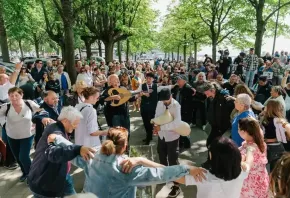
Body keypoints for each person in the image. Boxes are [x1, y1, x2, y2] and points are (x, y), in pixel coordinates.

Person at [50, 127, 206, 198]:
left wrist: (56, 138)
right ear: (125, 146)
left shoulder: (92, 155)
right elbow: (161, 174)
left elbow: (71, 150)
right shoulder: (125, 168)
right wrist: (186, 168)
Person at [28, 106, 96, 198]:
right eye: (75, 124)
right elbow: (53, 153)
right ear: (65, 121)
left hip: (62, 176)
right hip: (45, 182)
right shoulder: (56, 132)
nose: (76, 127)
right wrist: (78, 149)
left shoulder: (57, 127)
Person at [0, 87, 53, 182]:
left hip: (27, 135)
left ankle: (31, 175)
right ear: (9, 96)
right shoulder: (6, 107)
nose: (14, 98)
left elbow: (41, 110)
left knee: (23, 157)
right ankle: (24, 172)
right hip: (12, 136)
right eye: (11, 96)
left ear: (21, 95)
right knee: (17, 157)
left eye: (16, 95)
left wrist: (43, 118)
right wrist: (4, 123)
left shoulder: (29, 103)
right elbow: (0, 116)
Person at [176, 137, 250, 198]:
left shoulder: (202, 176)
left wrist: (188, 169)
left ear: (212, 156)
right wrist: (250, 149)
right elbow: (249, 161)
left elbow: (170, 175)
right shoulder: (242, 171)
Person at [153, 88, 182, 197]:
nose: (164, 102)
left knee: (173, 160)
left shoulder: (176, 105)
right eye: (163, 100)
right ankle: (165, 177)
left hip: (172, 137)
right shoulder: (159, 102)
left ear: (171, 96)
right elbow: (157, 115)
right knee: (161, 156)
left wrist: (162, 127)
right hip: (161, 136)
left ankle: (176, 185)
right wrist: (156, 127)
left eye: (166, 100)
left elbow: (177, 123)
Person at [202, 82, 234, 167]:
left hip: (221, 127)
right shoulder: (214, 97)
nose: (207, 96)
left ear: (212, 90)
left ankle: (213, 163)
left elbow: (231, 110)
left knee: (213, 145)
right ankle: (212, 162)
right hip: (215, 126)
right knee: (210, 144)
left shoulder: (224, 97)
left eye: (208, 94)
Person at [238, 117, 269, 198]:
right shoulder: (261, 143)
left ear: (243, 132)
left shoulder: (246, 149)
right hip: (262, 181)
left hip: (249, 185)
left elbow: (243, 165)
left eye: (238, 129)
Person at [172, 74, 195, 150]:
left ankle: (187, 144)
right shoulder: (177, 88)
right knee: (179, 128)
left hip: (185, 112)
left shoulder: (188, 89)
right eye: (177, 79)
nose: (178, 81)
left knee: (184, 128)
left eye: (180, 79)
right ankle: (181, 143)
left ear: (185, 81)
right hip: (177, 111)